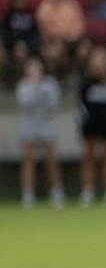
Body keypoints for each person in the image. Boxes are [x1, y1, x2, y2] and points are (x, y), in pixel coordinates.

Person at [16, 55, 64, 209]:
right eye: (31, 68)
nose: (35, 71)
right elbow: (25, 103)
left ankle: (56, 191)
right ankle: (28, 193)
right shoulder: (23, 85)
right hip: (29, 125)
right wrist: (34, 85)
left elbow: (54, 103)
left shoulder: (51, 84)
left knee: (51, 159)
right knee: (28, 158)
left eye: (37, 68)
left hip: (46, 123)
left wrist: (39, 89)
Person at [78, 47, 106, 207]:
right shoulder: (86, 84)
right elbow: (81, 105)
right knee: (88, 156)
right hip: (91, 124)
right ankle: (87, 190)